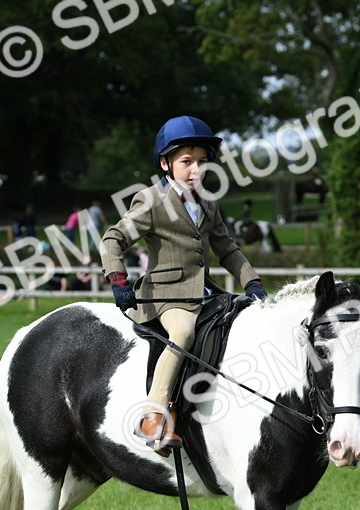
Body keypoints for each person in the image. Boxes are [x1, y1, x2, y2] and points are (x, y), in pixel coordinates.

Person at [99, 115, 266, 455]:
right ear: (166, 164)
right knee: (183, 333)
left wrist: (252, 282)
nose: (196, 170)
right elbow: (113, 239)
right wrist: (118, 279)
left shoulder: (208, 201)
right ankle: (153, 416)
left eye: (202, 162)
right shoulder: (150, 200)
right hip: (166, 295)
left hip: (206, 291)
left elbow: (227, 248)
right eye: (187, 161)